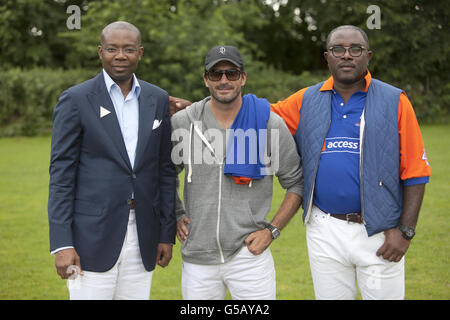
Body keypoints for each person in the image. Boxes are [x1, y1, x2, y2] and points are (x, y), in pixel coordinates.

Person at [270, 25, 431, 299]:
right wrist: (196, 109)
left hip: (380, 231)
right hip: (324, 229)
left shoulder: (395, 100)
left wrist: (405, 231)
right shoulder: (306, 99)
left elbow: (415, 171)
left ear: (367, 56)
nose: (347, 55)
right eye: (338, 50)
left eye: (355, 49)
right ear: (327, 57)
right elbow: (254, 116)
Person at [48, 21, 176, 300]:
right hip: (89, 238)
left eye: (129, 49)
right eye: (112, 49)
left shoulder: (157, 99)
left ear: (140, 53)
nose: (120, 55)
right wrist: (61, 243)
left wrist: (166, 233)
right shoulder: (76, 99)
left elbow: (165, 172)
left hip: (143, 235)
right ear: (100, 52)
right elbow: (61, 176)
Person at [171, 45, 303, 300]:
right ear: (205, 79)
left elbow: (296, 182)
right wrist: (176, 213)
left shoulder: (268, 123)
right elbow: (164, 174)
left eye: (231, 73)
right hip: (198, 257)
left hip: (249, 255)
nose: (224, 80)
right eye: (215, 74)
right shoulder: (183, 122)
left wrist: (272, 230)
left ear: (243, 77)